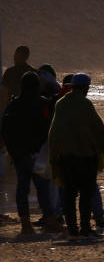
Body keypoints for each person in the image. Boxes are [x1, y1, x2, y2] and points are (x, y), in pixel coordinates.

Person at [47, 73, 104, 240]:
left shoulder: (60, 104)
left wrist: (54, 153)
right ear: (85, 87)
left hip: (65, 156)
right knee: (86, 193)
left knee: (69, 194)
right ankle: (85, 229)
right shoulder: (85, 104)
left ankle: (72, 230)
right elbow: (97, 128)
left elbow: (54, 131)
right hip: (86, 156)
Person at [1, 71, 58, 234]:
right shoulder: (43, 104)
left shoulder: (14, 105)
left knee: (22, 188)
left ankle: (26, 224)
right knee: (43, 188)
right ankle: (50, 221)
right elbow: (48, 127)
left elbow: (6, 129)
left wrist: (12, 151)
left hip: (20, 154)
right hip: (38, 153)